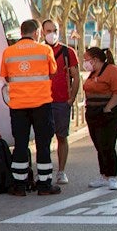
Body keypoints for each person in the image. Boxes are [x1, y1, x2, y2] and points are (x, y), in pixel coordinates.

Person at [0, 19, 59, 196]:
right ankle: (44, 184)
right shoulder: (45, 50)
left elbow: (6, 77)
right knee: (43, 143)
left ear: (21, 32)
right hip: (41, 104)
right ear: (36, 33)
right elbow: (53, 71)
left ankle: (19, 185)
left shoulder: (8, 52)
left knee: (20, 144)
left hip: (18, 105)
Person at [41, 18, 80, 185]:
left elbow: (76, 76)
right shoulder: (39, 51)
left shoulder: (67, 52)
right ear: (42, 32)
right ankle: (45, 170)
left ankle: (61, 171)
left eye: (54, 30)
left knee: (62, 136)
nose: (52, 34)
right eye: (48, 31)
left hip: (61, 101)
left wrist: (71, 99)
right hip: (42, 100)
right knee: (44, 138)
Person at [82, 47, 117, 190]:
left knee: (108, 144)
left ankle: (112, 177)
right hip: (93, 112)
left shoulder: (113, 71)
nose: (85, 63)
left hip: (109, 113)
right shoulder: (92, 73)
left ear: (95, 60)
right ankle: (104, 175)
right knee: (99, 145)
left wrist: (108, 108)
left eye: (86, 59)